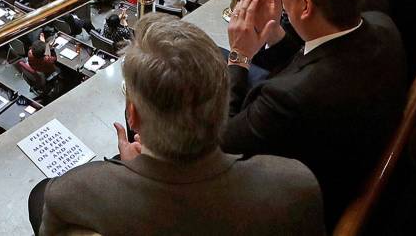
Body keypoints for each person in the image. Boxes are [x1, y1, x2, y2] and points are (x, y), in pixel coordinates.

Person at [30, 13, 325, 236]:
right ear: (225, 105)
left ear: (132, 117)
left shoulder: (70, 193)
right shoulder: (296, 186)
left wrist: (132, 171)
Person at [223, 0, 406, 226]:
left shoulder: (288, 98)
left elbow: (222, 142)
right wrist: (274, 31)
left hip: (307, 208)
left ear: (305, 6)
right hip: (361, 162)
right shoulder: (381, 25)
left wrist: (239, 56)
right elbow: (314, 56)